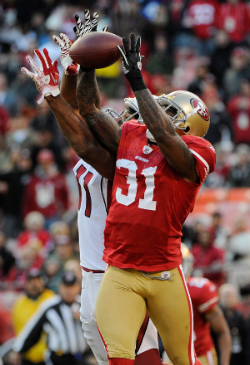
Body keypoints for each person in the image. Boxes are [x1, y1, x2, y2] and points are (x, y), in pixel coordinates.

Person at [21, 17, 216, 365]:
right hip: (108, 273)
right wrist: (77, 69)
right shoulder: (128, 145)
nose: (128, 117)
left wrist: (88, 73)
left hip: (124, 269)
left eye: (127, 114)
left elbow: (87, 117)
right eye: (125, 115)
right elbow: (83, 121)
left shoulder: (158, 153)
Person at [12, 271, 88, 365]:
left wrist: (86, 319)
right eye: (66, 287)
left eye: (72, 287)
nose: (69, 290)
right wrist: (19, 351)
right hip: (58, 359)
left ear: (78, 287)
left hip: (81, 358)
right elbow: (33, 331)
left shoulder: (85, 306)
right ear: (60, 287)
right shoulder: (50, 306)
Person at [181, 244, 231, 365]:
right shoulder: (151, 291)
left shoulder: (199, 291)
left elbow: (222, 332)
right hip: (170, 355)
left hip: (200, 355)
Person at [11, 268, 55, 365]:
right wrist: (18, 350)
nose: (35, 284)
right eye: (31, 281)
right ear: (26, 283)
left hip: (48, 355)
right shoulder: (20, 303)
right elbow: (18, 330)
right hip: (28, 355)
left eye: (37, 280)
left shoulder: (50, 298)